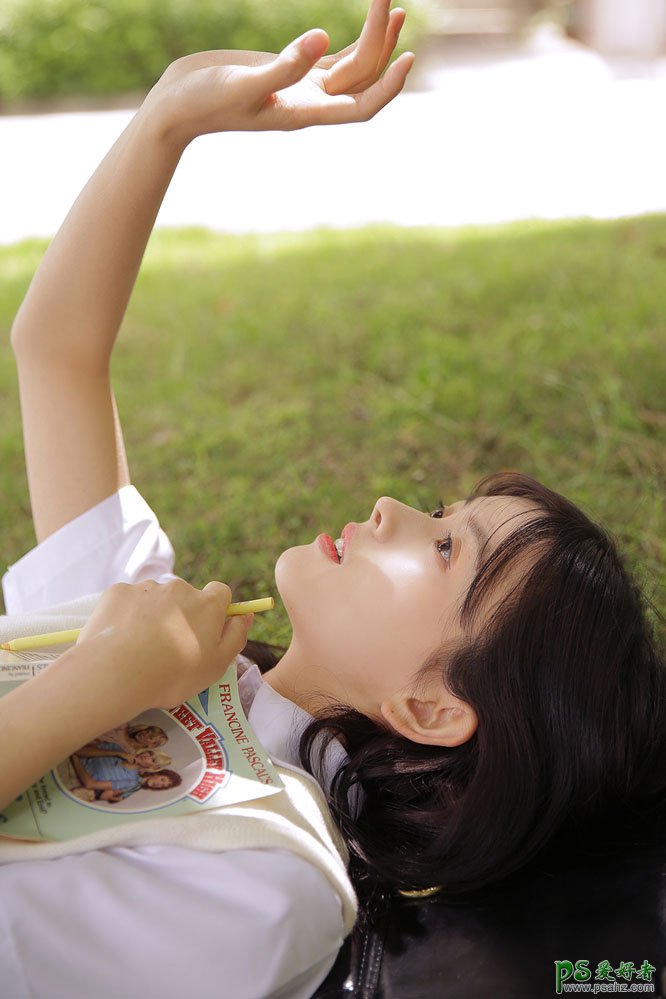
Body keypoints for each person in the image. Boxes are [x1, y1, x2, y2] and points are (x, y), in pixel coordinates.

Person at [0, 0, 663, 995]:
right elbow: (54, 355)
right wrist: (170, 121)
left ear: (432, 712)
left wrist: (96, 683)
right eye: (442, 512)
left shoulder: (272, 887)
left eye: (445, 550)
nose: (393, 507)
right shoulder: (174, 651)